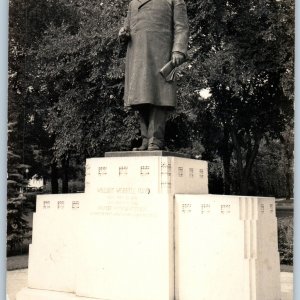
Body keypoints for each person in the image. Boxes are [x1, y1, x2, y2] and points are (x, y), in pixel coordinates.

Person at [119, 0, 189, 151]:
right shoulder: (133, 3)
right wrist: (123, 33)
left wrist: (178, 49)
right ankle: (145, 139)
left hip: (160, 53)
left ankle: (156, 140)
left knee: (159, 96)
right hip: (137, 54)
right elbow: (128, 27)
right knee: (140, 98)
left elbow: (181, 26)